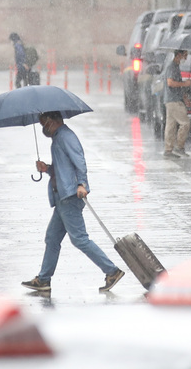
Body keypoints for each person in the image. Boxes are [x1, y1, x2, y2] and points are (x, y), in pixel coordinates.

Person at [22, 111, 124, 292]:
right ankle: (44, 279)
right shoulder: (58, 138)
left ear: (52, 121)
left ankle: (112, 271)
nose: (42, 127)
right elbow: (62, 169)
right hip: (61, 197)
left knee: (79, 239)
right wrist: (47, 169)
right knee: (52, 238)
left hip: (70, 197)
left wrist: (82, 183)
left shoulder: (66, 137)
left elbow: (80, 161)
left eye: (43, 122)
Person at [163, 49, 191, 158]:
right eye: (185, 54)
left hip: (171, 100)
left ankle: (168, 150)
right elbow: (170, 83)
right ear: (179, 54)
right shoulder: (172, 67)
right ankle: (179, 147)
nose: (186, 57)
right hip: (173, 100)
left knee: (170, 126)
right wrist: (185, 83)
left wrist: (185, 98)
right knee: (185, 123)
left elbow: (178, 86)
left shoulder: (175, 67)